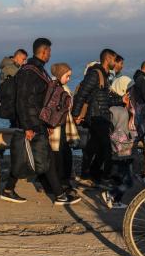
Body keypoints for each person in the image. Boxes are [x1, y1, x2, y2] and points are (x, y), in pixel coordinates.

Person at [1, 38, 81, 205]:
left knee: (40, 157)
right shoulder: (30, 72)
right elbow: (23, 101)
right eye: (49, 51)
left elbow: (39, 101)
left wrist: (46, 123)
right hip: (32, 124)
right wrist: (27, 127)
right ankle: (59, 195)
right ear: (44, 52)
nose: (50, 55)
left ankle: (9, 189)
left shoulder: (37, 70)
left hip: (38, 123)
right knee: (45, 158)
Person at [72, 48, 119, 188]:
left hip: (101, 116)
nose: (115, 63)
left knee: (93, 147)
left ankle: (89, 175)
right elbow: (82, 94)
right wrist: (75, 114)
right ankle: (103, 177)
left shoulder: (103, 75)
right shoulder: (95, 74)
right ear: (107, 59)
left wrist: (122, 100)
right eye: (114, 60)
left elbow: (105, 99)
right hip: (96, 116)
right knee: (107, 148)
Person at [101, 76, 136, 210]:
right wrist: (128, 146)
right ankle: (111, 195)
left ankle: (115, 200)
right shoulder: (119, 110)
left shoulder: (113, 107)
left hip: (116, 149)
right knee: (128, 181)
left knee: (123, 179)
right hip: (122, 150)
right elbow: (120, 132)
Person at [47, 63, 79, 197]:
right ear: (60, 75)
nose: (69, 79)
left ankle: (61, 183)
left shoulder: (56, 87)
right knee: (60, 157)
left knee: (62, 156)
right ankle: (62, 184)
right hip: (58, 127)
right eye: (67, 76)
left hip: (61, 126)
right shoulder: (58, 89)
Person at [132, 60, 145, 130]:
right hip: (142, 105)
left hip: (138, 103)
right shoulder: (143, 79)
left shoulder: (138, 77)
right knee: (143, 123)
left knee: (139, 122)